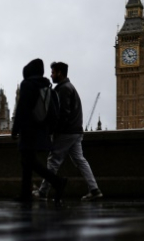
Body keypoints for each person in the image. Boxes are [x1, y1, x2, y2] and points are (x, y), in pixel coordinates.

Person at [35, 62, 103, 201]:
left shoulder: (64, 89)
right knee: (80, 160)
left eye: (53, 72)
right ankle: (94, 189)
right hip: (76, 131)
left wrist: (54, 131)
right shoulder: (69, 87)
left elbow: (63, 114)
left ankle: (42, 192)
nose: (51, 75)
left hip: (66, 132)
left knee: (53, 161)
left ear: (60, 73)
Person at [11, 59, 67, 203]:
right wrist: (49, 130)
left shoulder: (27, 84)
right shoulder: (46, 86)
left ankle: (57, 182)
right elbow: (54, 112)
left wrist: (15, 129)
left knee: (29, 162)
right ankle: (26, 194)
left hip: (28, 130)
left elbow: (22, 108)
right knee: (27, 162)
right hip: (41, 131)